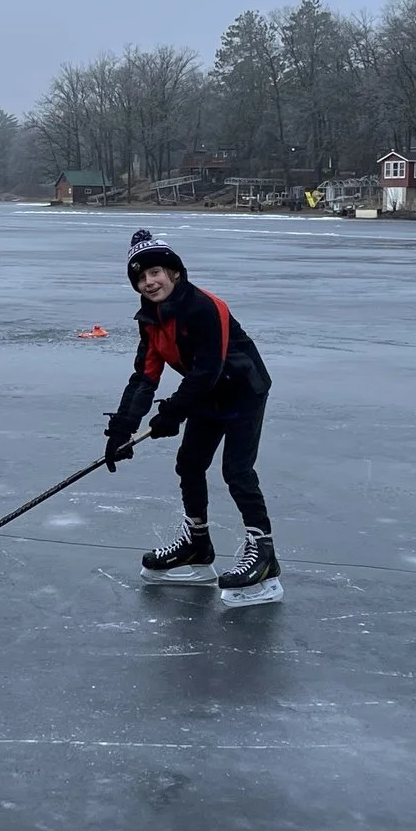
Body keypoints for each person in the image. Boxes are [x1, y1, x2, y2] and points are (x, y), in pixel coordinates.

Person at [102, 228, 281, 605]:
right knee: (189, 464)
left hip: (242, 389)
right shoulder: (150, 319)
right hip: (207, 394)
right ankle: (197, 547)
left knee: (236, 471)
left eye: (155, 273)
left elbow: (208, 369)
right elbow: (145, 376)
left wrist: (173, 413)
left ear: (175, 273)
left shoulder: (204, 307)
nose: (148, 282)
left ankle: (263, 554)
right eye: (140, 276)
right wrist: (122, 428)